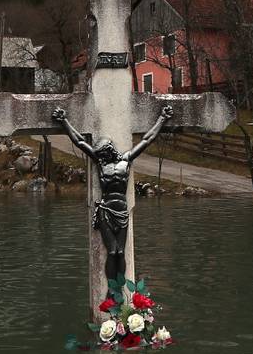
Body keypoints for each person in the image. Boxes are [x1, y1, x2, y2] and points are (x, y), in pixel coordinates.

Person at [51, 105, 173, 293]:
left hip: (122, 211)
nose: (100, 155)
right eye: (98, 154)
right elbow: (79, 141)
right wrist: (64, 121)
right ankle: (111, 290)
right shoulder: (101, 163)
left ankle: (120, 288)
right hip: (106, 210)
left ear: (109, 150)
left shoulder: (126, 160)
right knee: (113, 250)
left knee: (121, 251)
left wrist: (162, 119)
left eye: (102, 152)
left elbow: (147, 139)